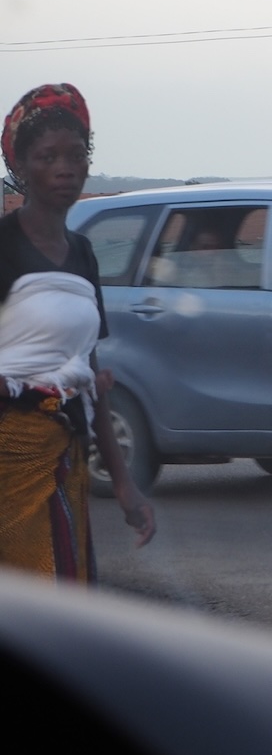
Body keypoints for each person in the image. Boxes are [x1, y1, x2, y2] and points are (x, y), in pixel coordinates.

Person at [0, 83, 155, 580]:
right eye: (48, 156)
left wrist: (127, 486)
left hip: (67, 449)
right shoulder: (4, 247)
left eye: (75, 155)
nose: (65, 167)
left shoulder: (83, 253)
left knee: (63, 587)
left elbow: (89, 370)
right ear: (21, 167)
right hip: (9, 451)